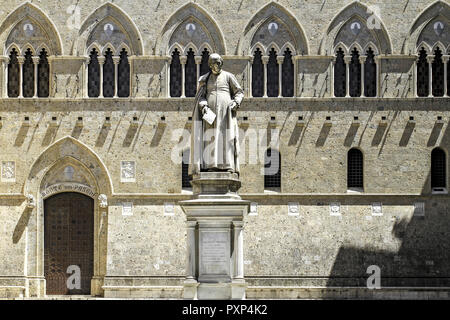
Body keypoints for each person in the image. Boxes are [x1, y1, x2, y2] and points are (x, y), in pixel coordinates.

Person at [189, 53, 244, 176]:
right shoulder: (205, 79)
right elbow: (200, 97)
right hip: (211, 114)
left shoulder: (229, 76)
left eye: (218, 62)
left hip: (226, 113)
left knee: (227, 137)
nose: (216, 65)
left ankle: (228, 165)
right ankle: (211, 165)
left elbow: (239, 92)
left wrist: (236, 102)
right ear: (209, 65)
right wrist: (203, 106)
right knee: (211, 138)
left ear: (221, 63)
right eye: (214, 63)